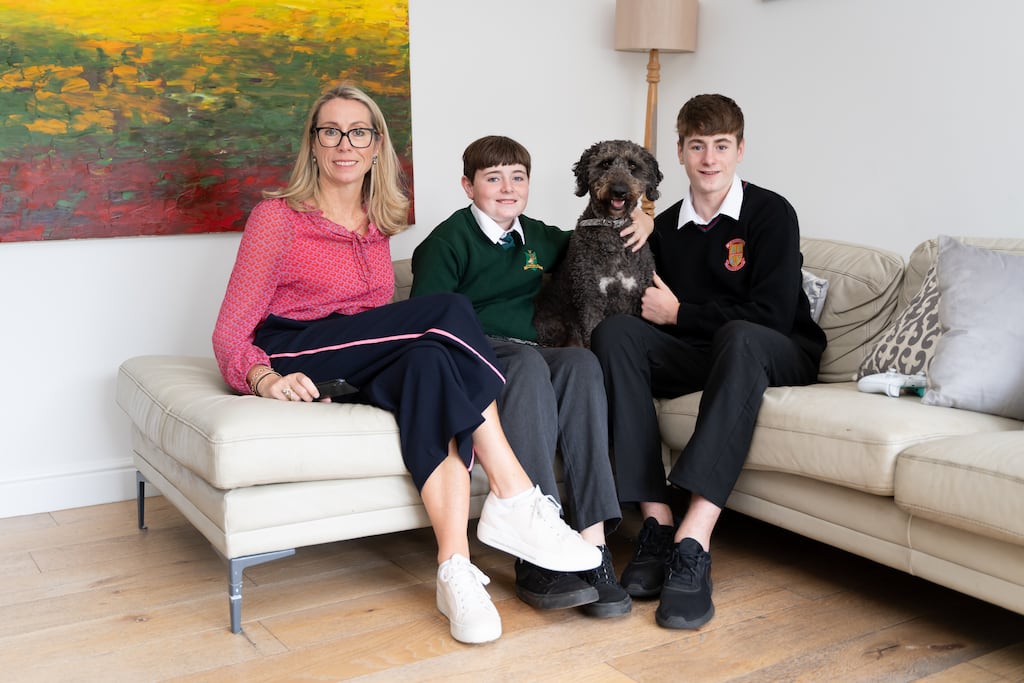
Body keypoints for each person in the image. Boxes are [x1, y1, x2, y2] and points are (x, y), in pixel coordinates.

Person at [211, 84, 601, 645]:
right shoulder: (277, 218)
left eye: (359, 132)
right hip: (297, 347)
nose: (345, 143)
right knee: (447, 310)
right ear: (314, 145)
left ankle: (455, 570)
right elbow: (230, 332)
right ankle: (514, 494)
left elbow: (377, 322)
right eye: (331, 132)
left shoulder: (378, 221)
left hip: (361, 355)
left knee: (430, 363)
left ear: (376, 147)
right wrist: (262, 376)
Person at [590, 94, 827, 630]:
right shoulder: (667, 225)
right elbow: (644, 303)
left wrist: (682, 315)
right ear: (679, 152)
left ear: (740, 150)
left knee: (741, 336)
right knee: (617, 334)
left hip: (777, 349)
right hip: (706, 353)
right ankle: (654, 519)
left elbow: (768, 314)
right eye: (697, 146)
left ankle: (693, 539)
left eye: (721, 146)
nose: (709, 159)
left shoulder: (772, 213)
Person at [410, 135, 653, 618]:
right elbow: (427, 328)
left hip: (534, 350)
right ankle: (537, 549)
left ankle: (592, 544)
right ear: (468, 186)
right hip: (476, 353)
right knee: (526, 364)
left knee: (582, 362)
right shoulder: (445, 243)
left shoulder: (539, 236)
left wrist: (644, 215)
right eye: (493, 178)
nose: (507, 188)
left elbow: (595, 232)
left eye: (517, 177)